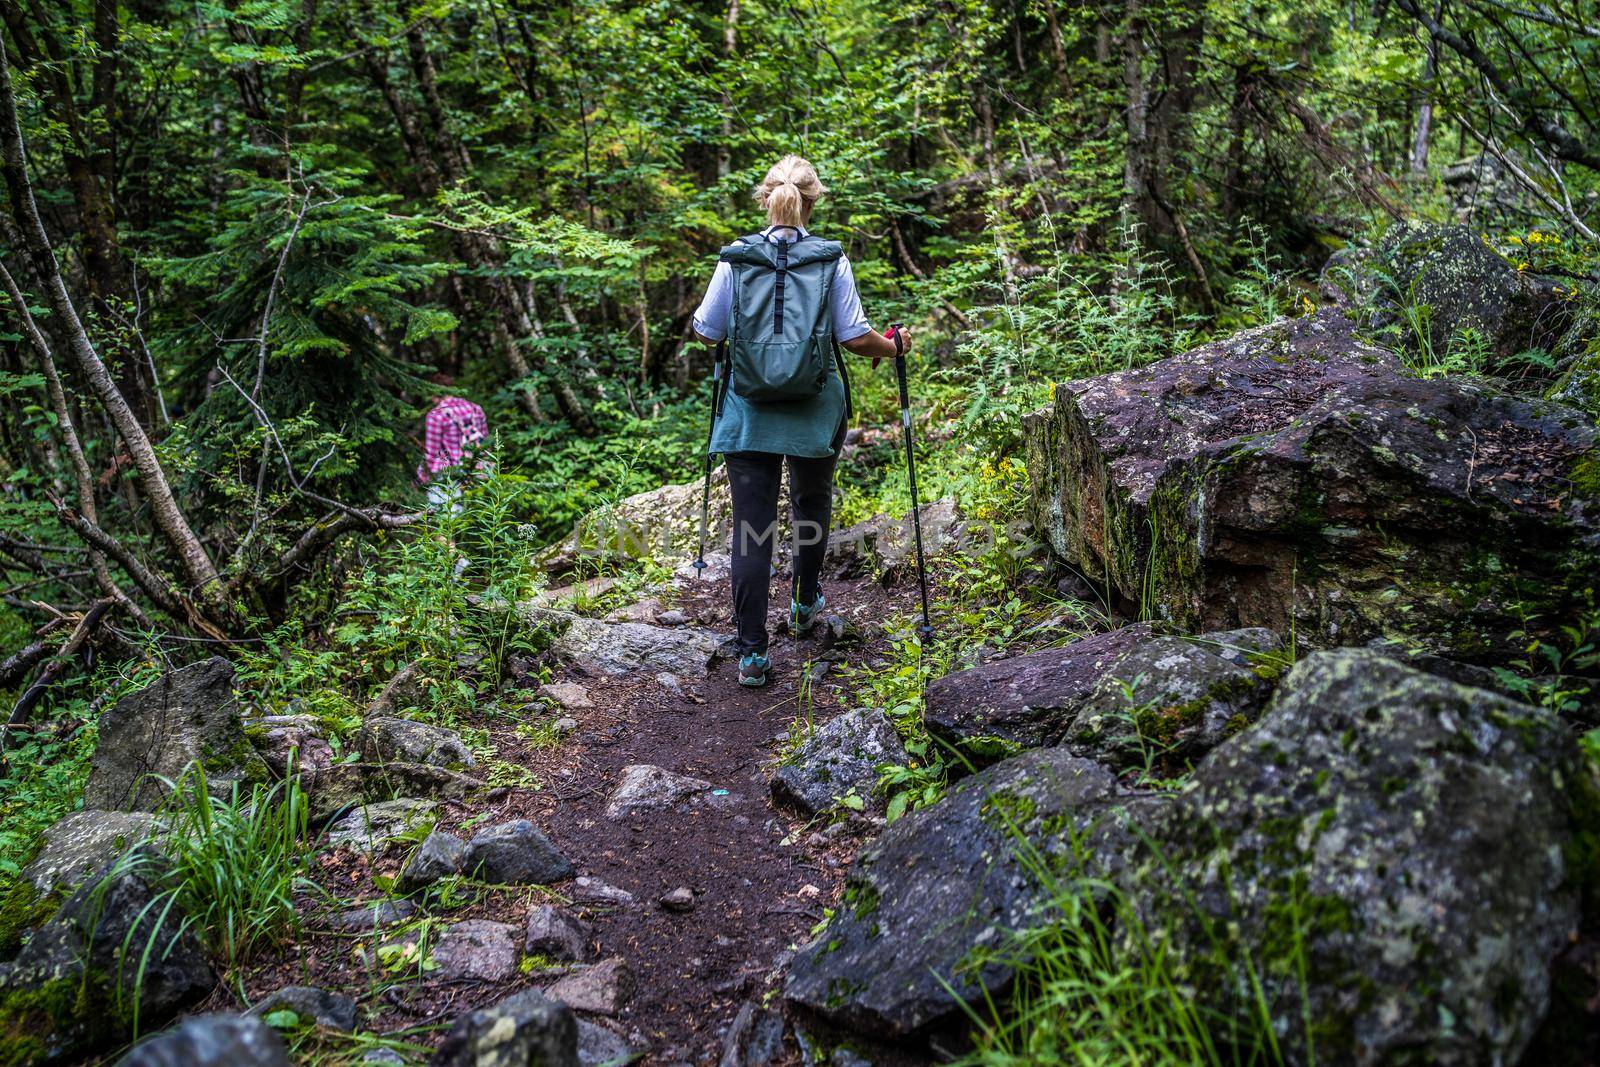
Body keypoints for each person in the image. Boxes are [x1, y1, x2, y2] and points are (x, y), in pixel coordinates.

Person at [692, 155, 912, 688]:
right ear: (812, 201)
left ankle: (751, 653)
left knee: (751, 528)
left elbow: (707, 330)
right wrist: (895, 346)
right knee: (810, 505)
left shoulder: (736, 258)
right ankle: (804, 600)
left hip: (748, 412)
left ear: (766, 197)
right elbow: (855, 338)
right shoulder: (830, 258)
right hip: (815, 407)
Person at [416, 376, 489, 512]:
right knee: (475, 513)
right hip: (475, 467)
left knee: (445, 517)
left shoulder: (435, 415)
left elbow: (432, 453)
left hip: (448, 472)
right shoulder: (475, 409)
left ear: (433, 393)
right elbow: (485, 439)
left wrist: (421, 477)